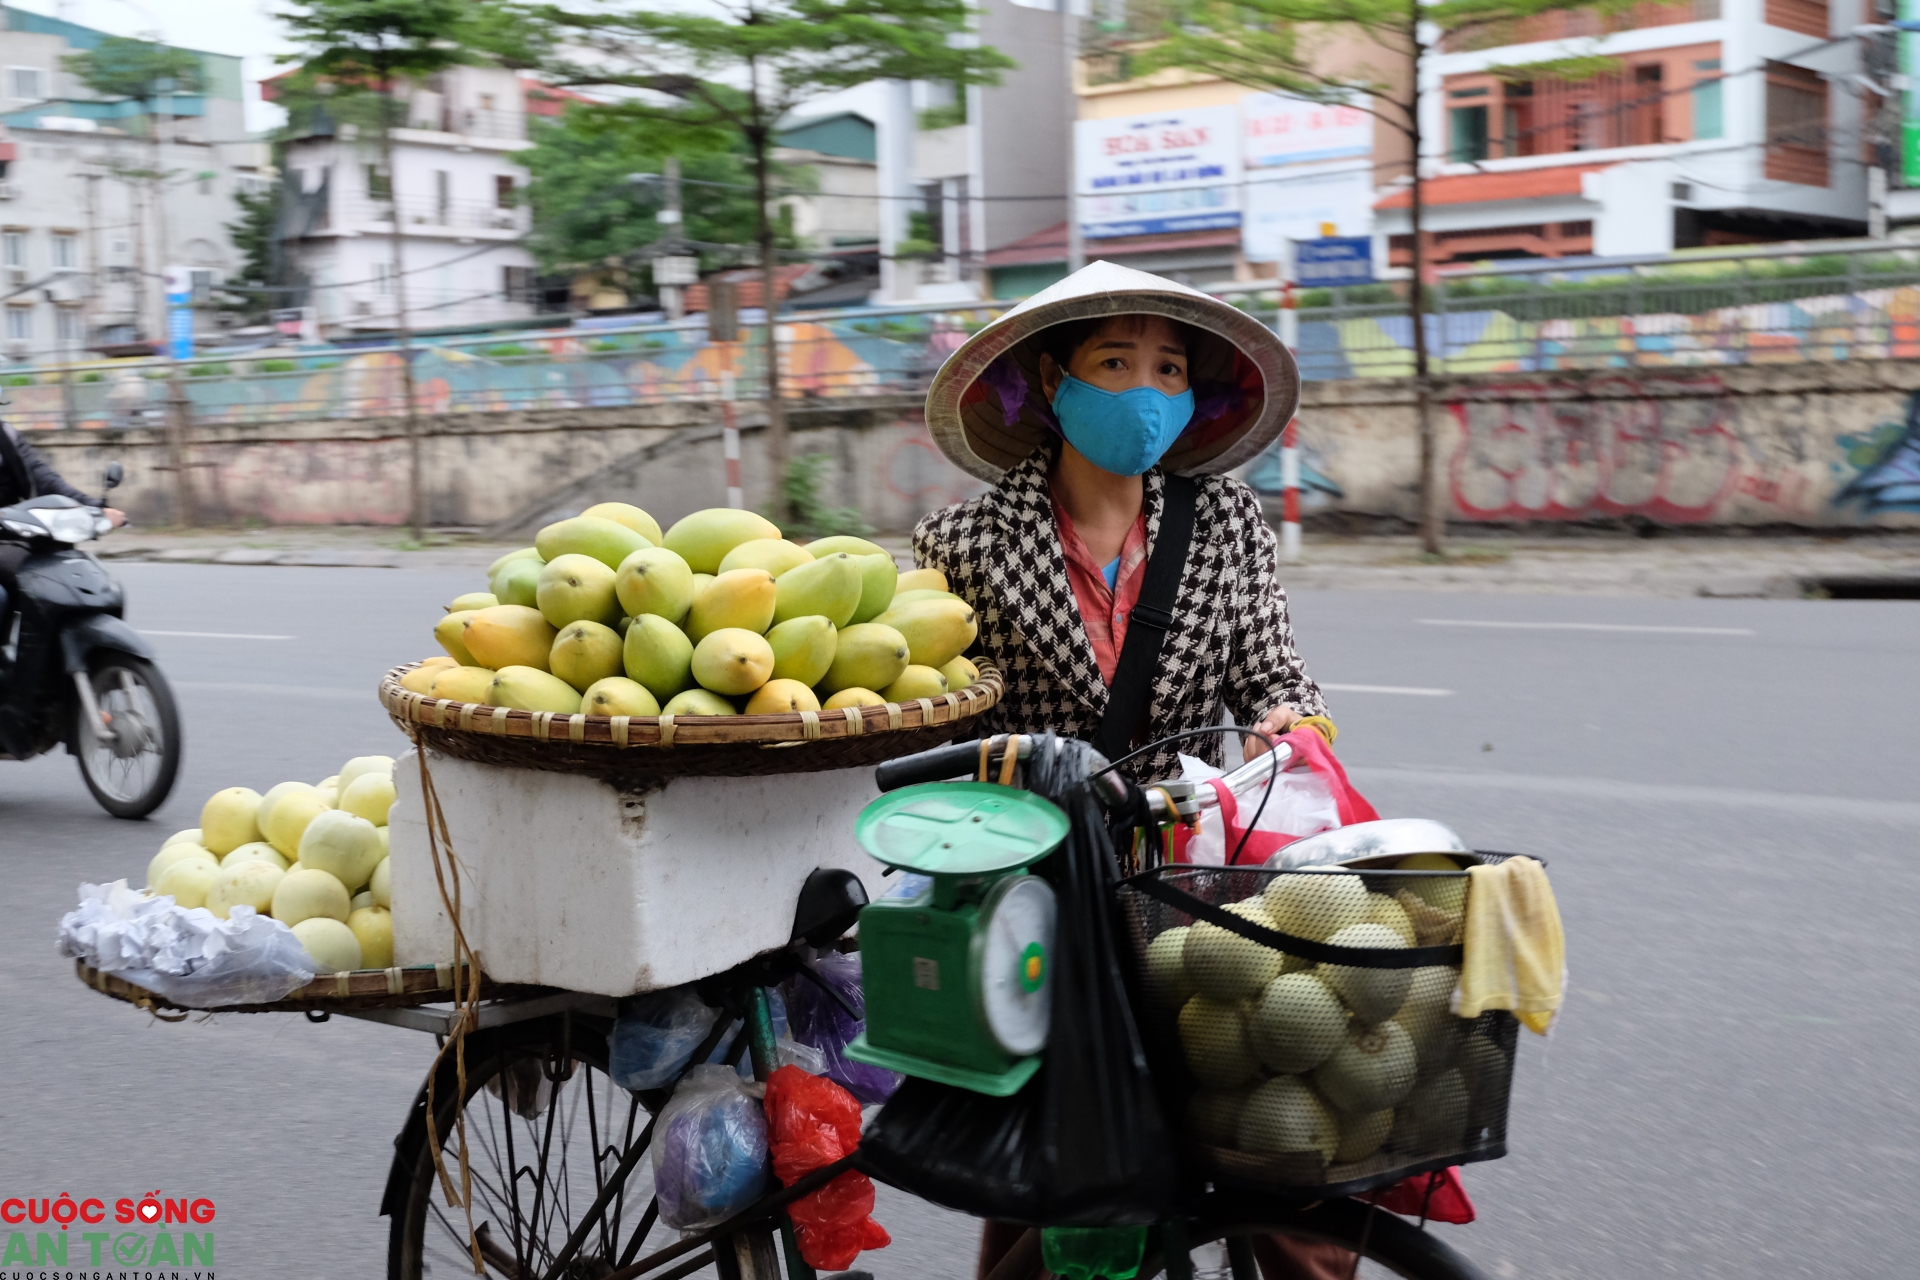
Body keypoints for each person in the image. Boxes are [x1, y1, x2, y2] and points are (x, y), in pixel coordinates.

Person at [914, 261, 1353, 1280]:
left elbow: (1270, 665)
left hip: (1190, 868)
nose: (1144, 390)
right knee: (1056, 1161)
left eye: (1167, 367)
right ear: (1054, 383)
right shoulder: (965, 543)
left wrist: (1294, 716)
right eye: (1115, 362)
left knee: (1268, 1130)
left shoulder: (1229, 522)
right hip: (1039, 882)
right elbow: (939, 699)